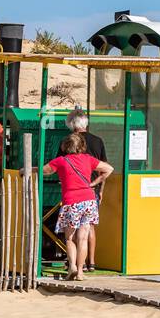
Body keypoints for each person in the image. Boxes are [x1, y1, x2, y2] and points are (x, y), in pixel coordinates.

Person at [43, 133, 114, 280]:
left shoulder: (61, 161)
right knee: (83, 239)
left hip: (71, 202)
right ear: (82, 146)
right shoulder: (88, 159)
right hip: (89, 201)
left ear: (65, 146)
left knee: (70, 239)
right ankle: (81, 272)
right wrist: (95, 183)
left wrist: (28, 170)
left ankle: (72, 267)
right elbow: (109, 169)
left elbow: (45, 170)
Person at [67, 109, 107, 271]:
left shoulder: (69, 141)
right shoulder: (98, 141)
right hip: (93, 190)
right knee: (89, 226)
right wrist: (99, 188)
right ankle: (91, 262)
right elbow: (103, 169)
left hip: (74, 190)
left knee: (73, 228)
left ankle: (77, 263)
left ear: (71, 124)